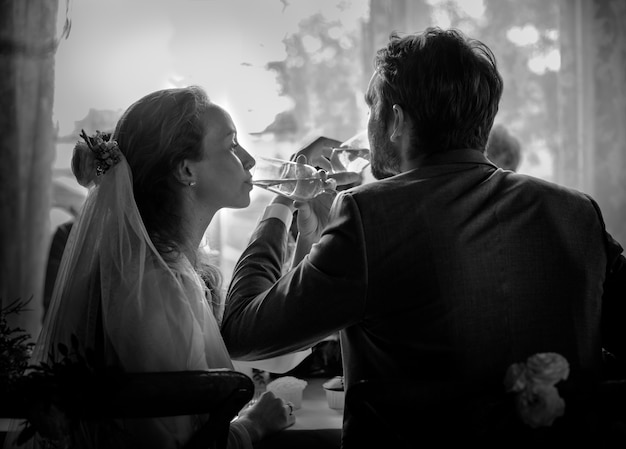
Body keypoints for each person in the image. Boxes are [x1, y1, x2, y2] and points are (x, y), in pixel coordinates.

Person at [220, 27, 626, 447]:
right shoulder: (577, 212)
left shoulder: (367, 214)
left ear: (395, 119)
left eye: (372, 106)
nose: (368, 122)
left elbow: (243, 331)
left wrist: (282, 201)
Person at [4, 86, 303, 449]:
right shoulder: (156, 290)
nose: (250, 160)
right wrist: (253, 426)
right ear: (186, 169)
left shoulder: (174, 268)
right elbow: (176, 446)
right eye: (232, 144)